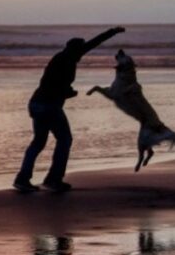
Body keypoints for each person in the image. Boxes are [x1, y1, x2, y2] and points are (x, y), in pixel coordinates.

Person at [14, 26, 125, 192]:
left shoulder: (64, 56)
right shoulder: (65, 61)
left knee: (38, 142)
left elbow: (93, 43)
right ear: (76, 50)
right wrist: (68, 92)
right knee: (64, 139)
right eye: (81, 50)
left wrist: (112, 32)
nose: (83, 54)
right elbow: (54, 85)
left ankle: (23, 179)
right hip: (48, 106)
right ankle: (53, 179)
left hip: (37, 103)